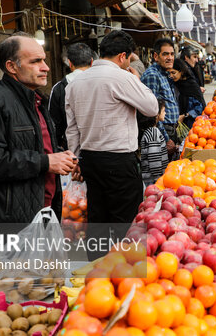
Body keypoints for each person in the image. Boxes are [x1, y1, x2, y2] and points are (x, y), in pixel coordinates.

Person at [0, 33, 75, 223]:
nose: (45, 67)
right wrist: (46, 162)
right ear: (11, 66)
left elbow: (35, 146)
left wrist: (62, 157)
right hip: (12, 219)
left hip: (43, 211)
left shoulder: (37, 101)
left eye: (44, 60)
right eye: (36, 61)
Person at [65, 30, 158, 251]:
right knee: (125, 223)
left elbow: (72, 128)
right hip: (119, 162)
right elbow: (152, 107)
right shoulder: (122, 76)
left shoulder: (75, 82)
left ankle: (95, 273)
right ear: (122, 56)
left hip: (90, 160)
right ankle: (123, 273)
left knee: (97, 218)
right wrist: (137, 81)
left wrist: (77, 161)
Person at [49, 43, 93, 150]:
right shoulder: (102, 83)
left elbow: (54, 124)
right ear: (92, 61)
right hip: (102, 148)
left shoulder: (59, 88)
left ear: (69, 63)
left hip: (70, 149)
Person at [141, 38, 180, 155]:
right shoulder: (153, 75)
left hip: (170, 129)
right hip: (163, 132)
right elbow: (154, 113)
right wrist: (166, 139)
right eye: (165, 54)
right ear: (156, 56)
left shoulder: (164, 73)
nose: (170, 58)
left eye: (172, 54)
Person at [168, 58, 206, 129]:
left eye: (173, 73)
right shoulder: (174, 84)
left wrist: (185, 115)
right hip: (176, 125)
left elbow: (199, 107)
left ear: (181, 72)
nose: (171, 76)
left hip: (191, 125)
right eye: (169, 73)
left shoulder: (192, 85)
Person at [140, 99, 169, 186]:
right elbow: (155, 163)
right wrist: (159, 181)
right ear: (156, 115)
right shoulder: (153, 133)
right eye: (163, 111)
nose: (165, 113)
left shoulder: (151, 131)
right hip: (153, 180)